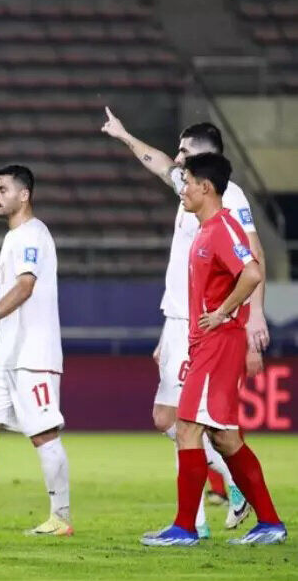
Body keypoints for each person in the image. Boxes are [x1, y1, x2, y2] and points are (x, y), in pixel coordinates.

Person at [101, 112, 260, 533]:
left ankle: (200, 518)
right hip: (178, 320)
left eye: (184, 150)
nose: (176, 157)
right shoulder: (188, 188)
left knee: (188, 421)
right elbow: (156, 161)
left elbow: (251, 258)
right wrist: (123, 135)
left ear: (205, 159)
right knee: (169, 419)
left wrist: (254, 318)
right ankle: (221, 494)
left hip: (204, 324)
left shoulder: (232, 198)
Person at [141, 153, 286, 546]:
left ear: (205, 187)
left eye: (186, 181)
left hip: (219, 344)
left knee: (188, 427)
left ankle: (185, 528)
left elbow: (252, 271)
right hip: (208, 344)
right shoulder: (205, 230)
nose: (182, 189)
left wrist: (223, 312)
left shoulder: (223, 228)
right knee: (224, 438)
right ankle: (270, 522)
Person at [0, 165, 71, 536]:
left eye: (1, 189)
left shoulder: (32, 235)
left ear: (24, 194)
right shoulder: (16, 236)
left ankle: (61, 517)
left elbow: (25, 287)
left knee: (43, 434)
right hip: (9, 354)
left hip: (34, 354)